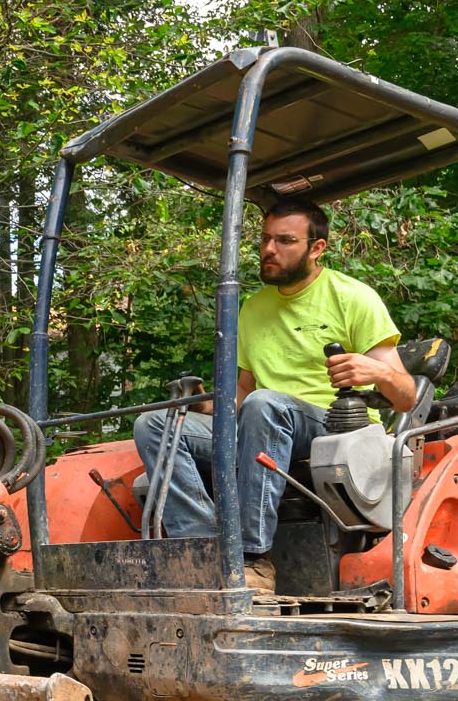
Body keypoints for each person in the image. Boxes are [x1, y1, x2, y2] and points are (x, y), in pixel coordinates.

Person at [134, 200, 416, 593]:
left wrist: (378, 371)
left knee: (266, 404)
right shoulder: (252, 308)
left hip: (333, 426)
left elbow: (406, 397)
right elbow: (245, 393)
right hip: (264, 418)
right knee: (154, 425)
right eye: (266, 238)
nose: (269, 249)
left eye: (285, 240)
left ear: (316, 248)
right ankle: (204, 550)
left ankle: (252, 558)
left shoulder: (353, 298)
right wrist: (203, 406)